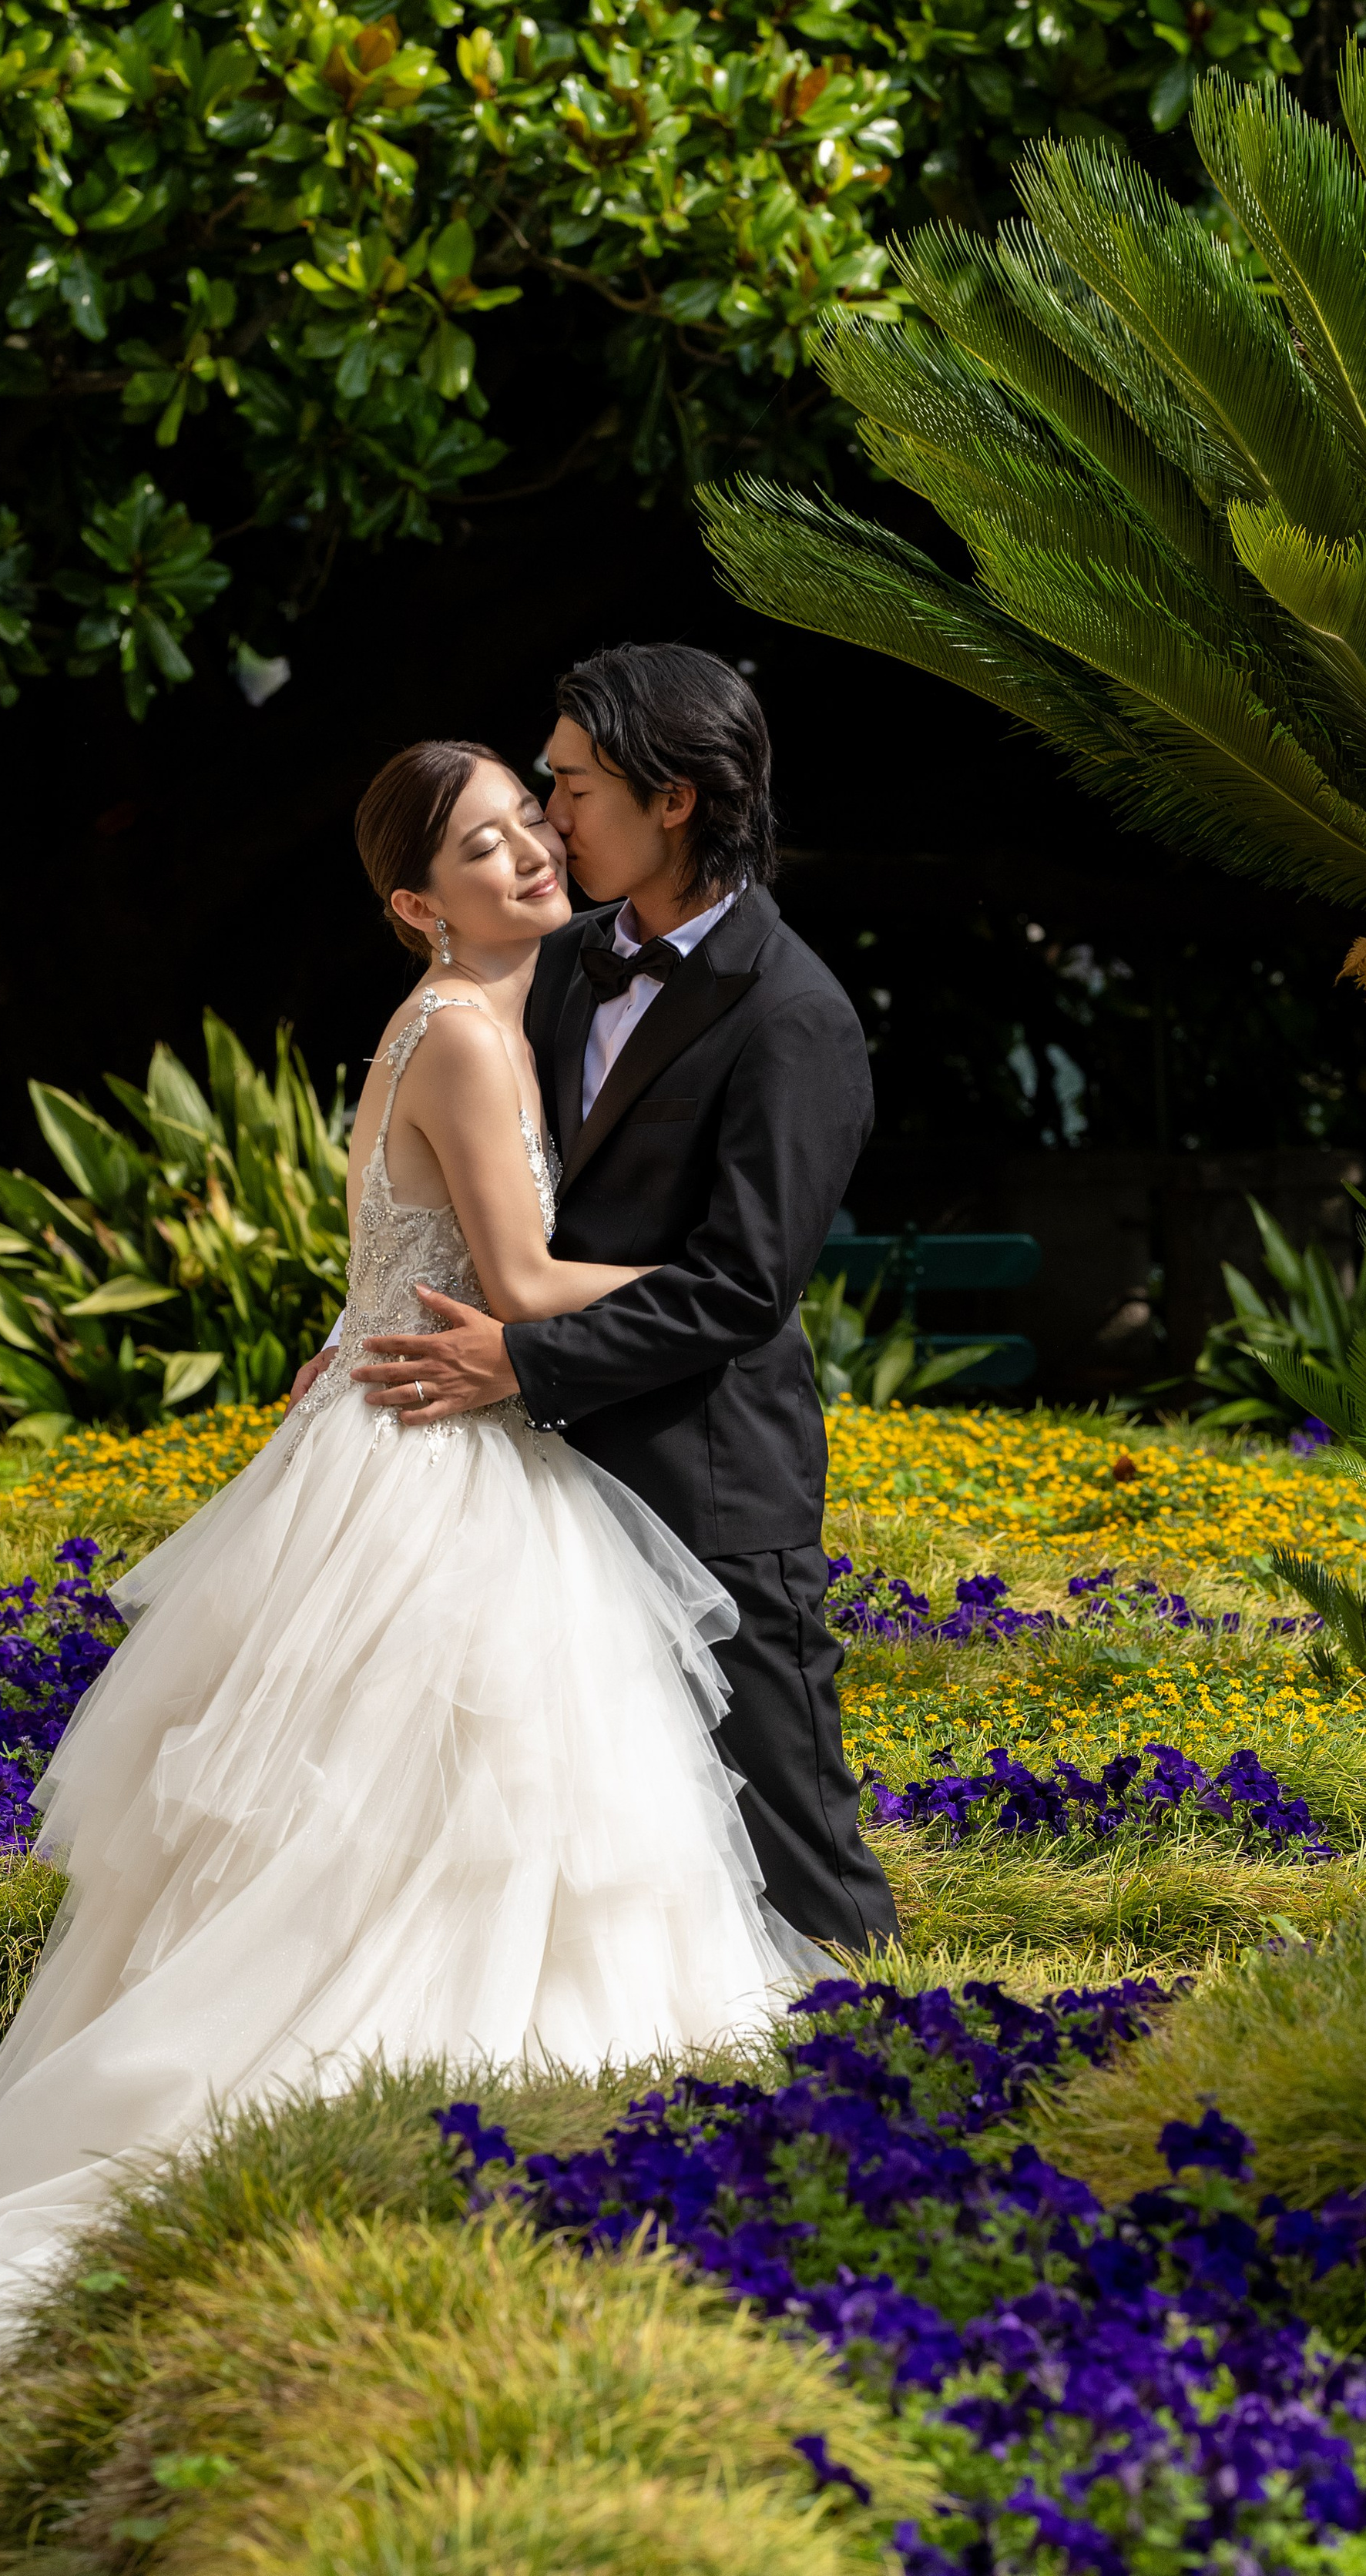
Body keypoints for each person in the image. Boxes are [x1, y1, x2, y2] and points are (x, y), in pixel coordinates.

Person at [0, 740, 817, 2389]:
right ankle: (355, 2182)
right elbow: (514, 1272)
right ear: (417, 906)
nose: (528, 859)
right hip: (441, 1457)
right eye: (482, 850)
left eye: (527, 826)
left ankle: (440, 2179)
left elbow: (395, 1267)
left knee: (442, 1834)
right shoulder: (467, 1034)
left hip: (399, 1432)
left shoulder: (471, 1023)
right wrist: (731, 1273)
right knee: (439, 1829)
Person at [335, 645, 899, 1954]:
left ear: (674, 799)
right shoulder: (560, 963)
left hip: (706, 1473)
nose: (551, 818)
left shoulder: (791, 1015)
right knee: (586, 1850)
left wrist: (521, 1363)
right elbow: (461, 1200)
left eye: (574, 789)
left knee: (789, 1836)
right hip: (536, 1497)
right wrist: (361, 1331)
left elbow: (746, 1287)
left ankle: (887, 2081)